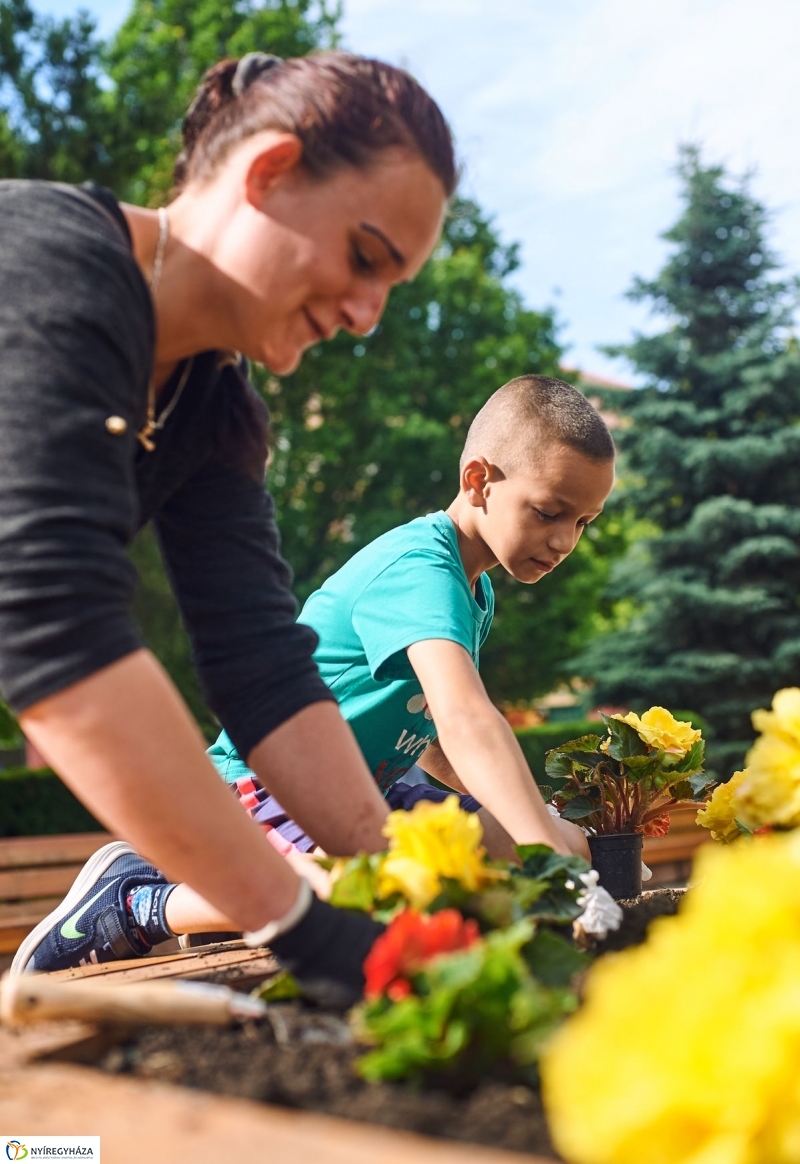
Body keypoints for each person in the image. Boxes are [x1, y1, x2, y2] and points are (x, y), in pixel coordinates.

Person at [1, 50, 457, 1002]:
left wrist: (395, 883)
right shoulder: (50, 264)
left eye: (392, 286)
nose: (367, 316)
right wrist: (300, 921)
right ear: (270, 171)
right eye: (365, 257)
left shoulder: (211, 400)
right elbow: (56, 634)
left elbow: (262, 670)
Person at [14, 375, 615, 967]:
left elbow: (434, 739)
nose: (565, 541)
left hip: (364, 794)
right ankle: (136, 904)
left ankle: (238, 911)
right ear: (478, 481)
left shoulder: (473, 590)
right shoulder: (421, 569)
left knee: (549, 841)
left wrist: (540, 826)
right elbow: (465, 718)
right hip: (266, 790)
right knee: (368, 903)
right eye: (548, 512)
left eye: (584, 523)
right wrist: (551, 864)